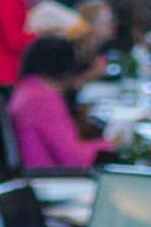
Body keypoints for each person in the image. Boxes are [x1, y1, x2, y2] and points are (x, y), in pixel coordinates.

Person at [8, 36, 111, 170]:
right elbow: (75, 159)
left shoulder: (26, 89)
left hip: (43, 176)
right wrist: (112, 144)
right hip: (52, 180)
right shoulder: (43, 99)